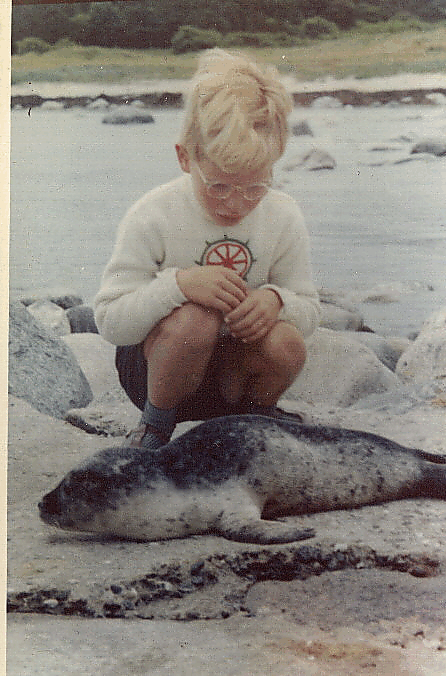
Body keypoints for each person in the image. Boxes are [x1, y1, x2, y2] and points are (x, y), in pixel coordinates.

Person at [93, 48, 320, 450]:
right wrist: (177, 286)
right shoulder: (153, 214)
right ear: (185, 156)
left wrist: (275, 300)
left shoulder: (283, 215)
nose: (234, 204)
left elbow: (309, 309)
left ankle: (250, 420)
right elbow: (110, 320)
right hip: (156, 373)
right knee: (195, 318)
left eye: (255, 188)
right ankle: (154, 429)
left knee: (286, 342)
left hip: (232, 376)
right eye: (217, 186)